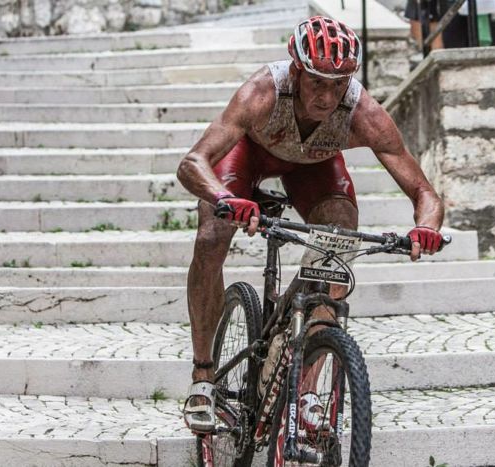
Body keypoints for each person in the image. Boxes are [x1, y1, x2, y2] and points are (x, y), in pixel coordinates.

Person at [176, 15, 446, 433]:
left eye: (339, 84)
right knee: (212, 235)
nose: (327, 96)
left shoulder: (363, 112)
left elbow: (425, 193)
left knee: (339, 242)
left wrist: (425, 228)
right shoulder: (262, 92)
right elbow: (192, 162)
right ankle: (203, 377)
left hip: (314, 167)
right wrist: (226, 199)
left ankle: (305, 388)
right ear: (297, 70)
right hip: (248, 155)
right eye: (318, 82)